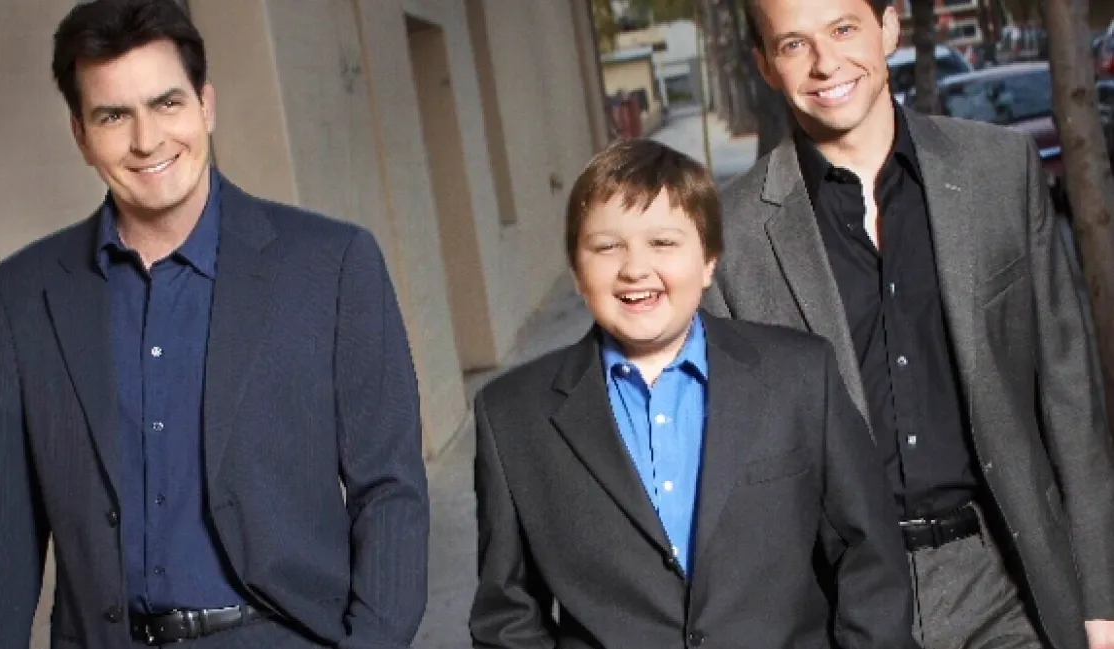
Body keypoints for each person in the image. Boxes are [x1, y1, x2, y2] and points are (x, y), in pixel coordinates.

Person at [0, 1, 429, 647]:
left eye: (167, 103)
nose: (147, 140)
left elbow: (390, 488)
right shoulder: (21, 295)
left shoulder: (332, 265)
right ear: (80, 134)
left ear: (206, 105)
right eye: (113, 115)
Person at [703, 1, 1114, 648]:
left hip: (1005, 582)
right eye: (793, 44)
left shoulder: (998, 171)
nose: (826, 63)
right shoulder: (731, 238)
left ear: (889, 27)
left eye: (843, 29)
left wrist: (1101, 600)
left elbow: (1070, 400)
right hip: (843, 605)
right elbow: (733, 473)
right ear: (764, 64)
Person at [469, 138, 919, 649]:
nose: (635, 268)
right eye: (607, 246)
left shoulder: (799, 375)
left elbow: (869, 557)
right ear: (576, 270)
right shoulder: (512, 416)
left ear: (708, 260)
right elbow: (507, 616)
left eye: (663, 243)